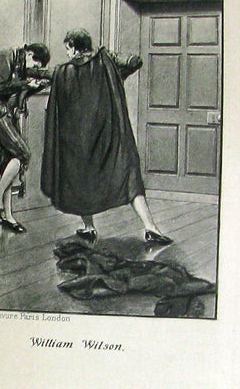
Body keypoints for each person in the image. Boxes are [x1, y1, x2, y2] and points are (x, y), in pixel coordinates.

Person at [41, 28, 171, 245]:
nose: (67, 53)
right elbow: (134, 61)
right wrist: (116, 71)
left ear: (76, 48)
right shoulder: (105, 61)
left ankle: (90, 227)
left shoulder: (65, 71)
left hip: (79, 140)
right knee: (128, 176)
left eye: (68, 48)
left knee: (80, 179)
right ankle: (150, 227)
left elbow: (47, 74)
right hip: (107, 136)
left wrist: (29, 72)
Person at [0, 42, 51, 232]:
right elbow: (2, 88)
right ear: (29, 54)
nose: (34, 69)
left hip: (8, 112)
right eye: (35, 65)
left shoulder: (21, 63)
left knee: (9, 163)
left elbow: (18, 91)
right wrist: (26, 83)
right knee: (23, 153)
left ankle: (8, 216)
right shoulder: (5, 57)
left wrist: (36, 87)